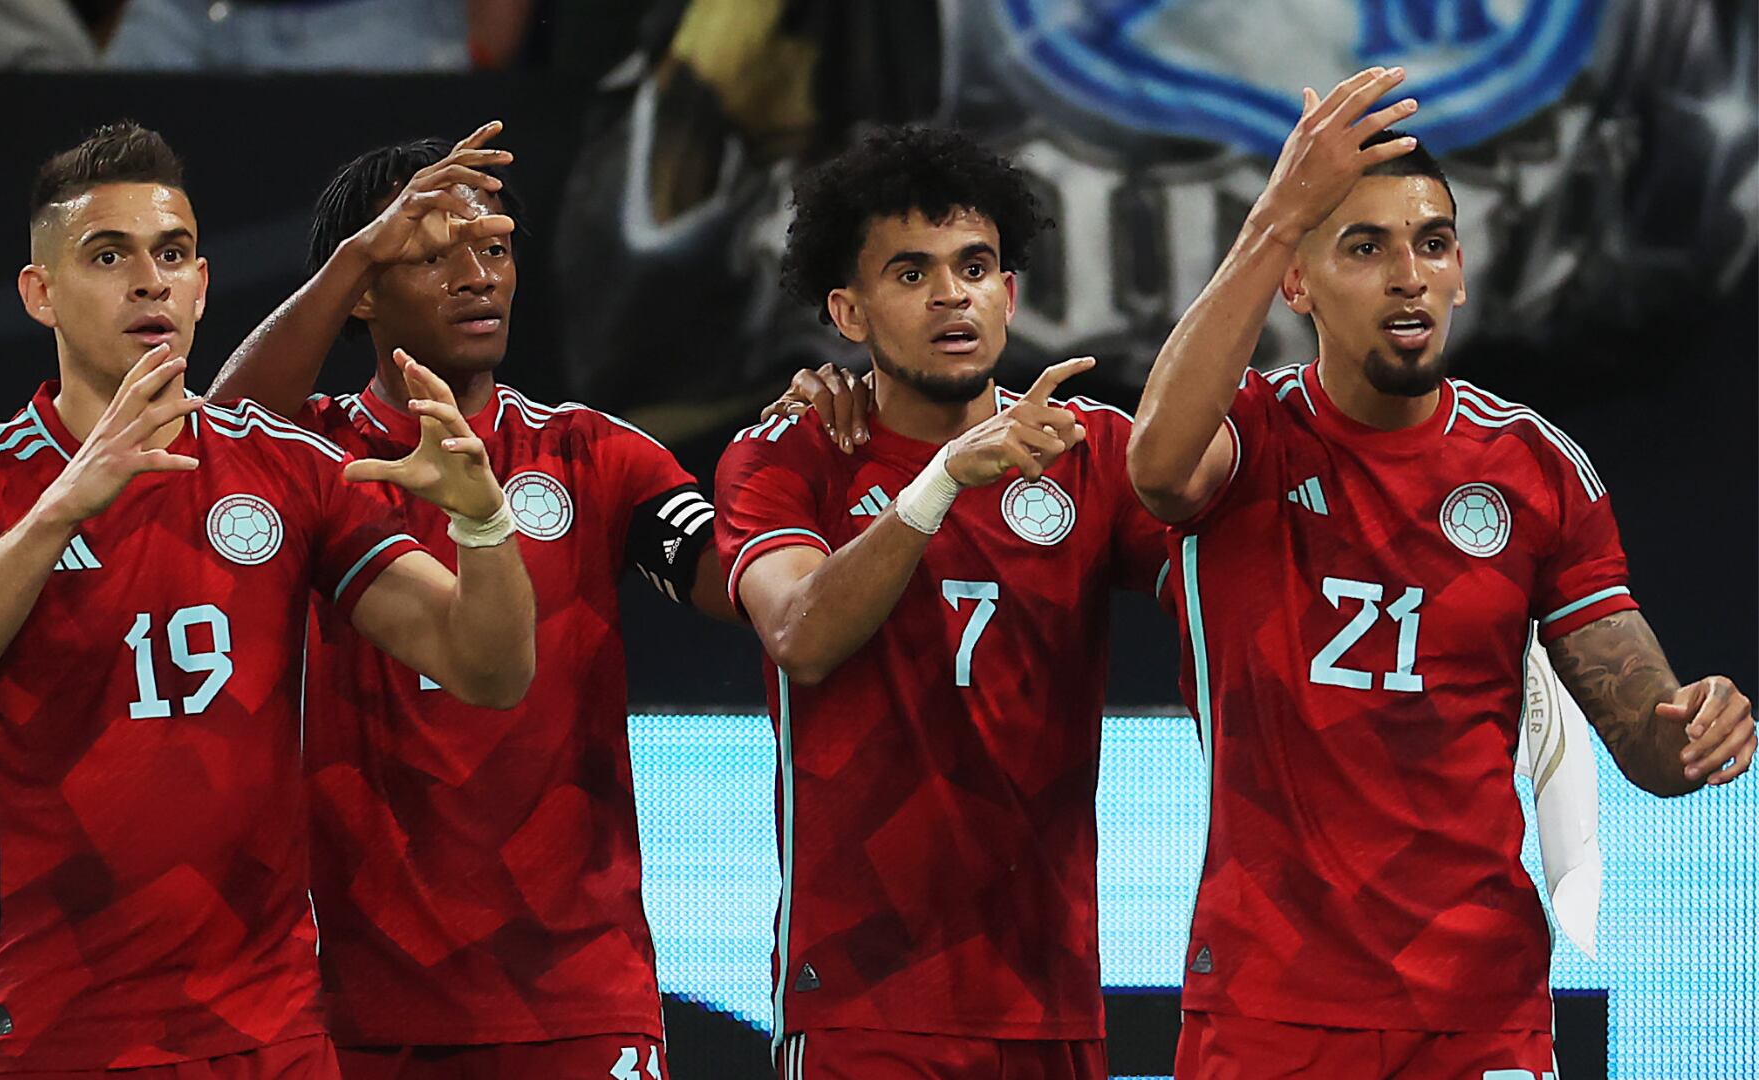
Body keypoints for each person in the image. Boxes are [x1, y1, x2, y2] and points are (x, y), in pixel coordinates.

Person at [1125, 67, 1755, 1077]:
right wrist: (1277, 212)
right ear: (1298, 281)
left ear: (1461, 271)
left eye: (1430, 244)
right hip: (1268, 1007)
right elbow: (1155, 473)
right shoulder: (1246, 438)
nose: (1408, 274)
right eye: (1364, 249)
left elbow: (1647, 740)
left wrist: (1692, 727)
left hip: (1479, 1015)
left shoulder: (1536, 470)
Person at [0, 121, 536, 1078]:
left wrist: (485, 526)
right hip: (67, 1029)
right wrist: (66, 503)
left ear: (202, 284)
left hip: (269, 1031)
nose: (151, 281)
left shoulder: (287, 467)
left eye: (172, 254)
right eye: (110, 256)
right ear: (41, 294)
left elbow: (489, 670)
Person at [208, 123, 858, 1079]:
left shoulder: (592, 454)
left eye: (497, 248)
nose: (479, 276)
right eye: (433, 256)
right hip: (354, 1001)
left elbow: (744, 583)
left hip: (575, 998)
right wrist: (356, 252)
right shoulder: (308, 457)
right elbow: (219, 429)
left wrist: (810, 455)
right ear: (365, 292)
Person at [714, 124, 1169, 1079]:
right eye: (911, 273)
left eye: (975, 267)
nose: (952, 294)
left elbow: (1240, 584)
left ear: (1010, 294)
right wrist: (940, 482)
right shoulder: (787, 456)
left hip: (1051, 999)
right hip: (860, 1005)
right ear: (850, 310)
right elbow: (799, 634)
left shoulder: (1088, 454)